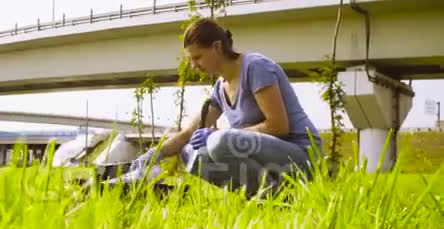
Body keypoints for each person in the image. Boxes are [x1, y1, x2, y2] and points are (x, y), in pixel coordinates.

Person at [130, 17, 323, 197]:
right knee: (190, 153)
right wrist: (154, 154)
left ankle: (280, 193)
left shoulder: (256, 67)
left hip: (301, 155)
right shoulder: (219, 89)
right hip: (268, 159)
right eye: (190, 59)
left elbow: (279, 126)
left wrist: (221, 136)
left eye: (197, 57)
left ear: (217, 47)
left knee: (218, 142)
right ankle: (269, 196)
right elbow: (188, 133)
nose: (193, 65)